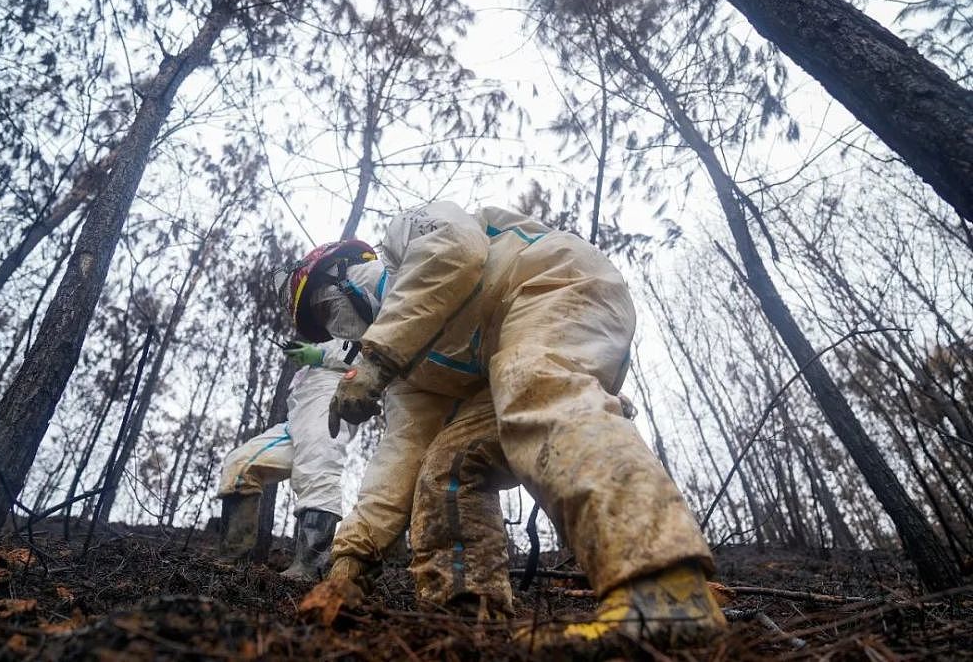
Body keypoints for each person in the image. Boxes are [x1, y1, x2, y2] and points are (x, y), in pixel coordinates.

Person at [277, 202, 725, 647]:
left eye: (324, 306)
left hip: (556, 284)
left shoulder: (408, 234)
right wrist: (351, 560)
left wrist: (378, 357)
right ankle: (469, 622)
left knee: (532, 382)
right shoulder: (410, 372)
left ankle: (665, 590)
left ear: (347, 271)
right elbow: (400, 458)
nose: (334, 325)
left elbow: (458, 248)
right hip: (500, 376)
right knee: (445, 467)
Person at [217, 339, 357, 579]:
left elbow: (375, 354)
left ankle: (309, 568)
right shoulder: (327, 330)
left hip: (330, 403)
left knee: (318, 471)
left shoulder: (367, 317)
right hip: (298, 416)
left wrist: (319, 355)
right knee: (241, 464)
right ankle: (232, 560)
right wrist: (311, 353)